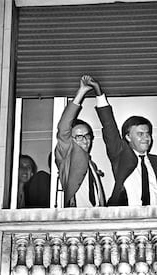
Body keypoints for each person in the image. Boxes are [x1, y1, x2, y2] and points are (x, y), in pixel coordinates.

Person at [85, 75, 157, 206]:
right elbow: (109, 127)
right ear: (128, 137)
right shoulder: (120, 155)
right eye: (140, 134)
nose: (146, 138)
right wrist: (99, 92)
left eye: (148, 134)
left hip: (154, 220)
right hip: (126, 219)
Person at [54, 75, 106, 208]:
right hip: (77, 218)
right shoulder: (67, 156)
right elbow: (63, 127)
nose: (84, 140)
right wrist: (81, 92)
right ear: (70, 140)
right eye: (78, 136)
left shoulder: (91, 165)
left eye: (87, 136)